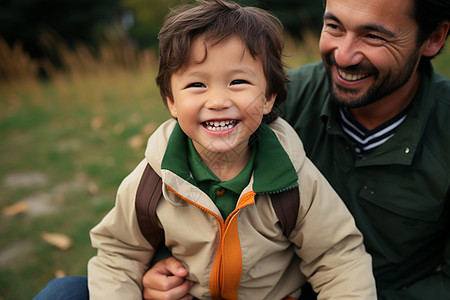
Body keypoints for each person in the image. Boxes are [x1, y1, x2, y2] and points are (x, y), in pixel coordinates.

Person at [33, 0, 450, 298]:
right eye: (334, 26)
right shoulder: (280, 97)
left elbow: (337, 257)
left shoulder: (291, 167)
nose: (342, 54)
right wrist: (156, 269)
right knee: (62, 293)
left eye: (374, 35)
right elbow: (131, 241)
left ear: (433, 38)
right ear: (170, 102)